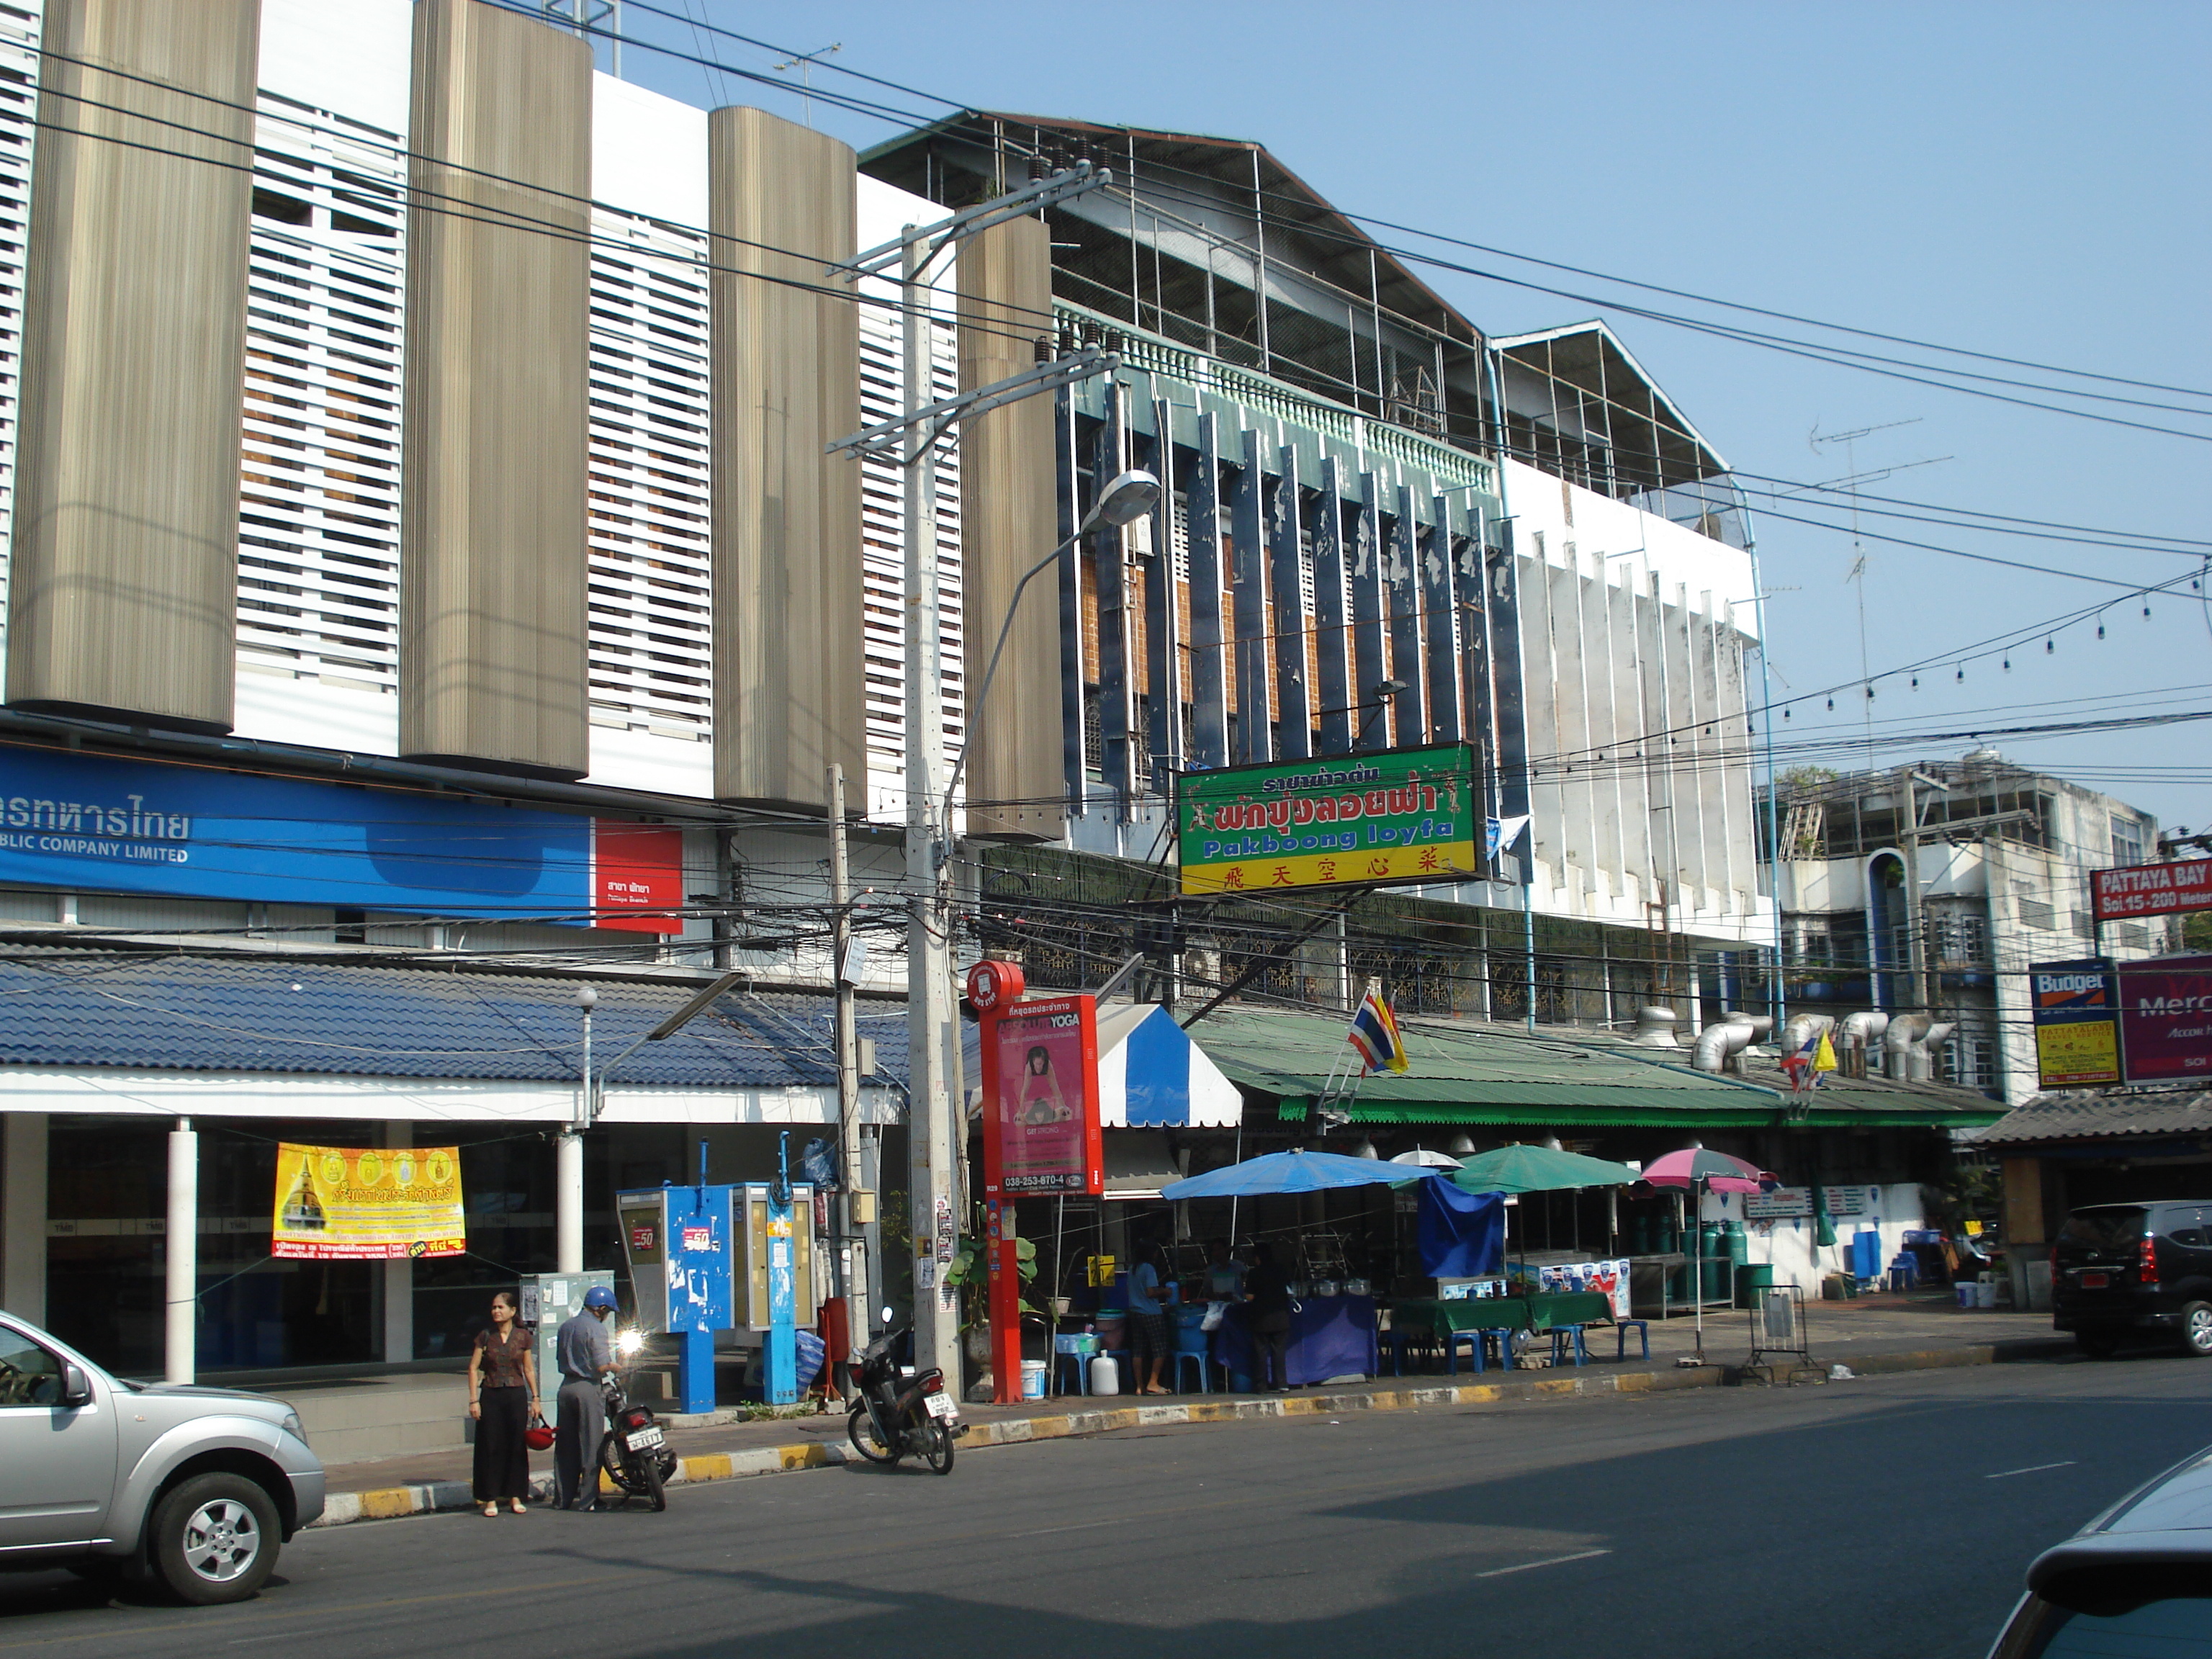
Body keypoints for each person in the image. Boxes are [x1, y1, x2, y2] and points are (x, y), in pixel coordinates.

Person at [468, 1290, 543, 1517]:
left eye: (501, 1307)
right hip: (491, 1394)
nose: (496, 1311)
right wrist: (474, 1400)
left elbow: (528, 1368)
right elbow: (473, 1368)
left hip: (516, 1394)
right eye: (494, 1308)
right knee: (491, 1446)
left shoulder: (523, 1336)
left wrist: (536, 1398)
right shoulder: (485, 1336)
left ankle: (516, 1495)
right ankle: (490, 1498)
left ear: (512, 1311)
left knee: (516, 1446)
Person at [554, 1285, 619, 1511]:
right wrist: (617, 1366)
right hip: (588, 1388)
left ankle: (562, 1499)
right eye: (608, 1311)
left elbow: (559, 1357)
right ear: (600, 1309)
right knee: (592, 1446)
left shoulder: (566, 1326)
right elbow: (602, 1366)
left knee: (566, 1448)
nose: (607, 1316)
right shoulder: (596, 1329)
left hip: (565, 1388)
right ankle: (589, 1500)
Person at [1245, 1241, 1293, 1393]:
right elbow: (1289, 1290)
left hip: (1261, 1318)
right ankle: (1282, 1384)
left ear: (1257, 1257)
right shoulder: (1281, 1270)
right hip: (1281, 1316)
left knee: (1261, 1352)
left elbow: (1249, 1297)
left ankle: (1261, 1386)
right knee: (1279, 1351)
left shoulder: (1254, 1273)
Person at [1127, 1242, 1174, 1395]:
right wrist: (1165, 1292)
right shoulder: (1148, 1268)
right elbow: (1150, 1292)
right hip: (1150, 1312)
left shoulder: (1132, 1269)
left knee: (1138, 1350)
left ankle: (1139, 1386)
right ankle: (1153, 1382)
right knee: (1160, 1348)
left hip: (1135, 1311)